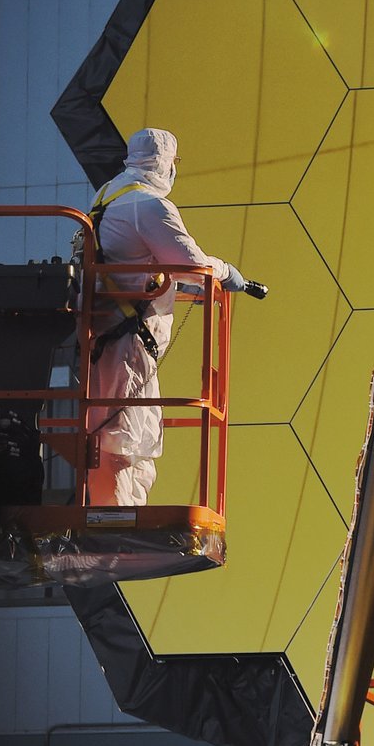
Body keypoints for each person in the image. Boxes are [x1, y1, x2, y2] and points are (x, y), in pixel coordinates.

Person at [85, 128, 250, 507]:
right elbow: (192, 263)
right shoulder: (148, 206)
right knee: (120, 437)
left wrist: (179, 289)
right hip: (126, 342)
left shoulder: (107, 196)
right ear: (167, 164)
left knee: (122, 433)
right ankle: (114, 522)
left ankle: (118, 514)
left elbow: (131, 264)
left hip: (110, 335)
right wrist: (225, 272)